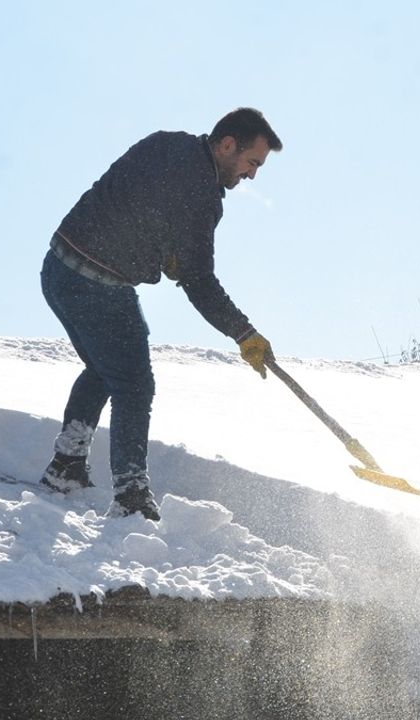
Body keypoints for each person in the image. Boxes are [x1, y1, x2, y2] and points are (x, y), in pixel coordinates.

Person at [38, 108, 281, 520]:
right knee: (134, 385)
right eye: (251, 162)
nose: (252, 175)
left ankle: (67, 465)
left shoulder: (164, 142)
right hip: (101, 285)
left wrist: (161, 249)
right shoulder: (202, 196)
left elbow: (127, 198)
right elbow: (199, 282)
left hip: (58, 269)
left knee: (104, 367)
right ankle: (131, 496)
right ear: (227, 145)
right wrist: (244, 333)